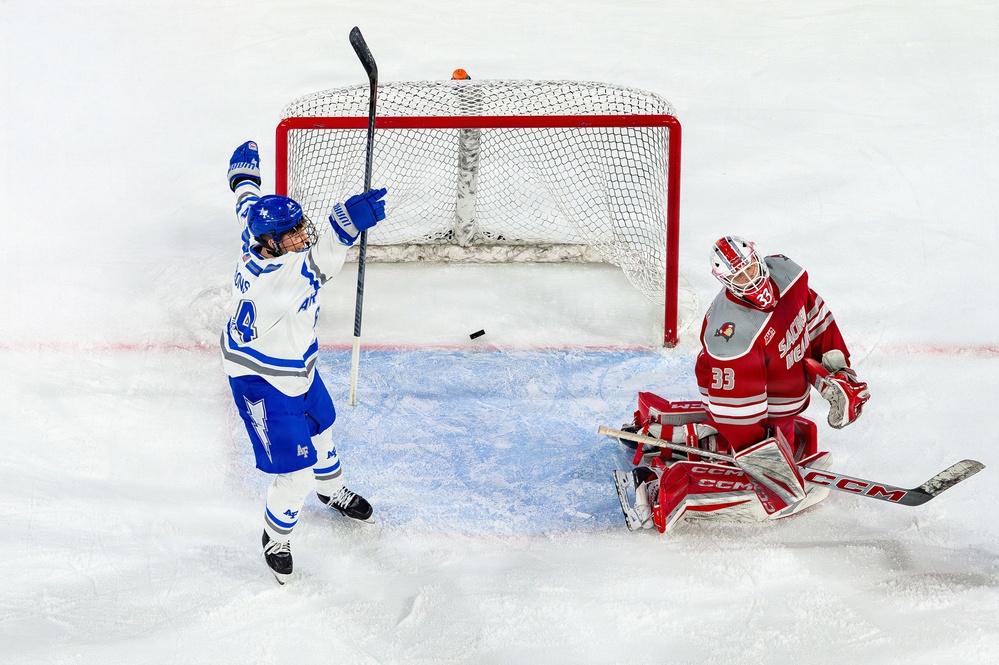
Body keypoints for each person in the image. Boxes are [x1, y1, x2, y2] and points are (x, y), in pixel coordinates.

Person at [614, 236, 870, 532]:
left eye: (750, 269)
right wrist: (761, 457)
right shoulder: (732, 335)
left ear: (757, 257)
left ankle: (661, 431)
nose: (750, 281)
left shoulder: (788, 275)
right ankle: (657, 489)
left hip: (774, 395)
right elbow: (735, 413)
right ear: (724, 280)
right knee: (782, 497)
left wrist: (837, 371)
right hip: (736, 399)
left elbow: (815, 319)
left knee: (787, 442)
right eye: (738, 276)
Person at [221, 140, 387, 583]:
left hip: (296, 364)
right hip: (262, 381)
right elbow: (325, 256)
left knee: (322, 428)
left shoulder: (256, 238)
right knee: (293, 477)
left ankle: (330, 491)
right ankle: (275, 537)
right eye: (292, 233)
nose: (301, 235)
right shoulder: (281, 281)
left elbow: (247, 206)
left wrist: (244, 180)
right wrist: (344, 226)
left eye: (300, 227)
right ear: (272, 244)